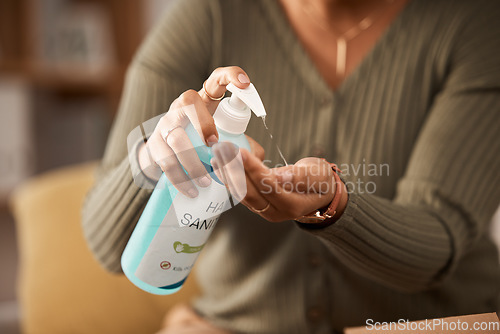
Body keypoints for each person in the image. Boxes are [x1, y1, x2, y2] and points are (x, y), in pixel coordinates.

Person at [82, 0, 500, 333]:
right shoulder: (208, 16)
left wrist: (335, 206)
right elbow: (109, 247)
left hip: (423, 324)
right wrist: (153, 157)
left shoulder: (475, 23)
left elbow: (437, 242)